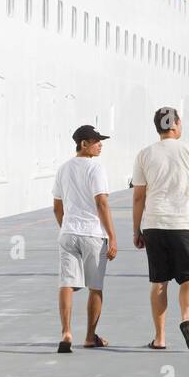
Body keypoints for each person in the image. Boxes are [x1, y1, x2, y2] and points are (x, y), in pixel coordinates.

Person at [132, 107, 189, 352]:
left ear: (157, 126)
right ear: (176, 124)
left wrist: (137, 230)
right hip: (185, 224)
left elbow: (138, 197)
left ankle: (159, 338)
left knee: (159, 280)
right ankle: (186, 318)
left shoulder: (144, 154)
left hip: (154, 225)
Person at [52, 125, 118, 354]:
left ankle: (66, 332)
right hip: (93, 234)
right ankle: (90, 336)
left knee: (67, 284)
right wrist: (112, 236)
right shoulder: (95, 168)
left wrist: (67, 227)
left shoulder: (63, 169)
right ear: (84, 144)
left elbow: (57, 207)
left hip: (68, 233)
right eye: (96, 141)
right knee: (95, 287)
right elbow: (101, 202)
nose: (101, 144)